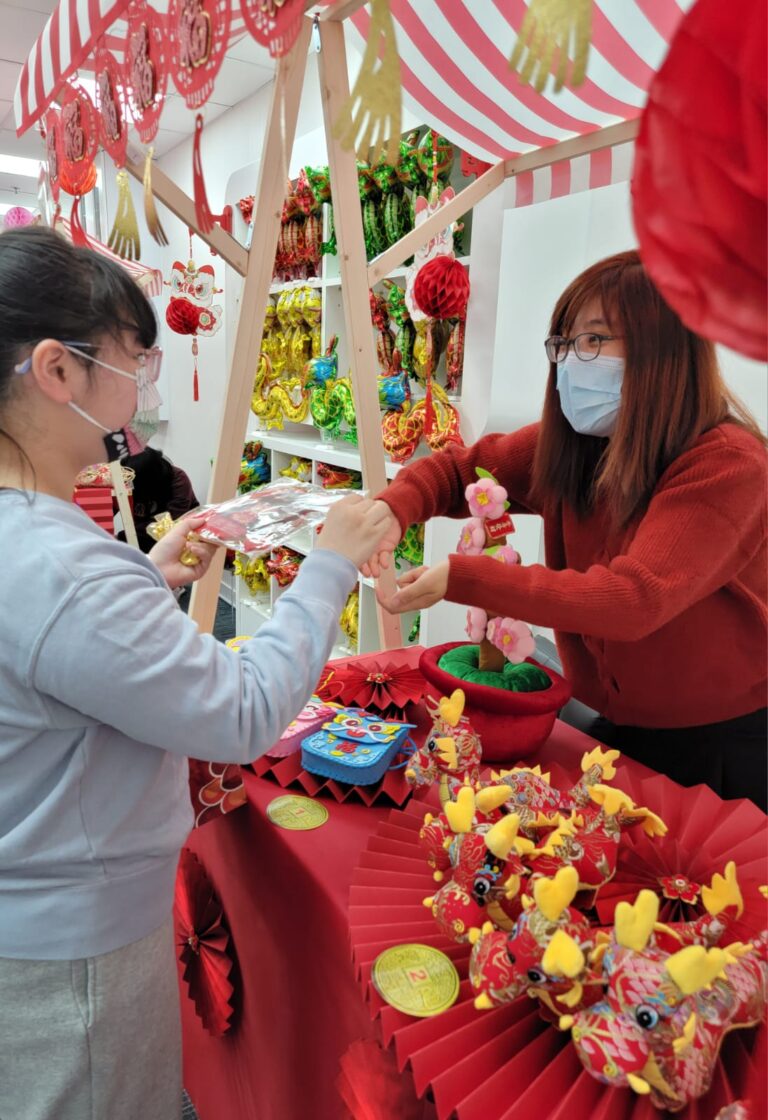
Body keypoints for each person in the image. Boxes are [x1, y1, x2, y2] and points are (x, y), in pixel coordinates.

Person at [0, 225, 390, 1120]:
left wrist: (151, 568)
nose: (141, 385)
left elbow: (68, 651)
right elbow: (244, 710)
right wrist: (329, 563)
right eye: (135, 358)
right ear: (59, 371)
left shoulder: (42, 541)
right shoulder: (60, 569)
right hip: (70, 961)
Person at [366, 250, 767, 810]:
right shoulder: (578, 445)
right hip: (611, 728)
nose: (571, 363)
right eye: (564, 344)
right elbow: (465, 468)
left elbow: (632, 598)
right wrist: (394, 508)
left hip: (718, 748)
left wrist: (467, 577)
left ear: (665, 349)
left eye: (594, 341)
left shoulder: (728, 464)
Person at [120, 446, 199, 553]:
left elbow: (169, 520)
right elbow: (112, 504)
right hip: (142, 532)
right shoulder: (130, 479)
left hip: (176, 535)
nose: (127, 482)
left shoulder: (178, 479)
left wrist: (124, 535)